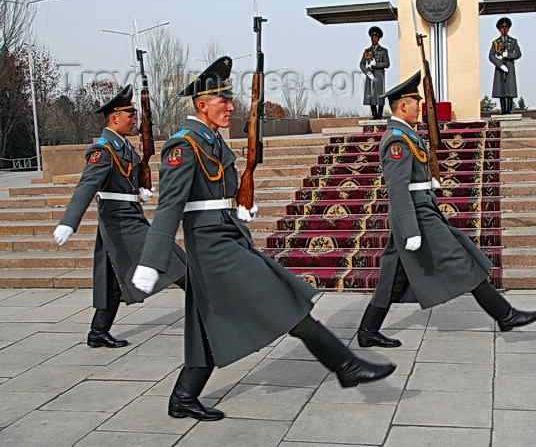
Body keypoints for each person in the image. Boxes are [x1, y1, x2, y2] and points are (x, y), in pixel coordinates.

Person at [131, 57, 396, 422]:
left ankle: (182, 398)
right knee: (282, 297)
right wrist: (152, 259)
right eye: (222, 101)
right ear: (201, 105)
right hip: (212, 247)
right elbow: (168, 208)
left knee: (208, 321)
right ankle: (345, 365)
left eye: (230, 98)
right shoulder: (183, 146)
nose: (231, 105)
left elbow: (214, 191)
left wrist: (236, 207)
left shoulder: (208, 140)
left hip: (226, 236)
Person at [356, 71, 536, 348]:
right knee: (460, 260)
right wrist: (410, 228)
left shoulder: (406, 134)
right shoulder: (396, 139)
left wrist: (426, 181)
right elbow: (396, 189)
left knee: (392, 275)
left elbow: (412, 173)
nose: (420, 108)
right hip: (416, 215)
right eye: (415, 104)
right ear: (402, 106)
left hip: (421, 209)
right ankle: (505, 315)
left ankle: (367, 331)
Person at [52, 85, 186, 349]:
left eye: (135, 116)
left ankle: (97, 331)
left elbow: (124, 179)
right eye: (130, 116)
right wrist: (69, 221)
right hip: (119, 221)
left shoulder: (122, 145)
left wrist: (140, 191)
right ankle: (210, 312)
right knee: (173, 260)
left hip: (126, 216)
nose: (134, 121)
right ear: (114, 118)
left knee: (110, 277)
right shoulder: (103, 150)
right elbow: (86, 187)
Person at [488, 17, 521, 115]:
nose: (504, 29)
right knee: (501, 89)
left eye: (506, 27)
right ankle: (503, 109)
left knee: (510, 88)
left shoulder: (513, 41)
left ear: (508, 29)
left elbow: (518, 54)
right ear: (499, 29)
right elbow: (491, 56)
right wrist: (499, 64)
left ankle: (509, 109)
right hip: (500, 68)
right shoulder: (496, 42)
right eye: (502, 28)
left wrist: (509, 55)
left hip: (510, 66)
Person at [359, 26, 390, 120]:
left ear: (379, 38)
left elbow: (387, 64)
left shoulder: (384, 51)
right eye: (372, 37)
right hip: (370, 75)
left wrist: (376, 64)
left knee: (380, 94)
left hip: (379, 75)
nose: (374, 39)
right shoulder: (367, 51)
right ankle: (374, 114)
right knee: (371, 94)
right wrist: (367, 72)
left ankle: (379, 114)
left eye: (375, 37)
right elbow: (362, 64)